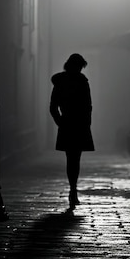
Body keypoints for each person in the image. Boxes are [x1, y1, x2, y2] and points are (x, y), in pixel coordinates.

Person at [50, 53, 95, 210]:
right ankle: (73, 189)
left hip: (70, 124)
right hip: (77, 124)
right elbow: (88, 106)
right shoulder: (81, 82)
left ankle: (73, 189)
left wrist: (60, 122)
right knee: (74, 158)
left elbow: (53, 107)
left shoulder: (61, 82)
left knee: (72, 158)